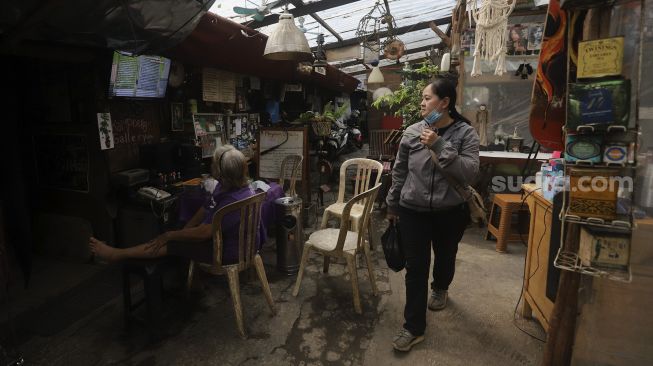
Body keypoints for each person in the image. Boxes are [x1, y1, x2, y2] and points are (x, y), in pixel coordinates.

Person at [386, 77, 480, 352]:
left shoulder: (465, 134)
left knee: (445, 256)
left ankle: (440, 287)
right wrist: (393, 205)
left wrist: (439, 145)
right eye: (423, 99)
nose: (422, 103)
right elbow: (400, 171)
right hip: (412, 211)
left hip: (449, 212)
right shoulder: (412, 132)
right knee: (415, 269)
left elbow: (469, 173)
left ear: (445, 102)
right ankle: (413, 327)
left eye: (428, 98)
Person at [90, 145, 257, 265]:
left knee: (170, 242)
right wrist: (182, 232)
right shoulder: (234, 186)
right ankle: (192, 280)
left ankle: (118, 254)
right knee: (180, 229)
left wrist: (171, 236)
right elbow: (205, 208)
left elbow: (204, 233)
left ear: (222, 173)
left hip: (227, 252)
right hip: (230, 242)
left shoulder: (233, 202)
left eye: (214, 165)